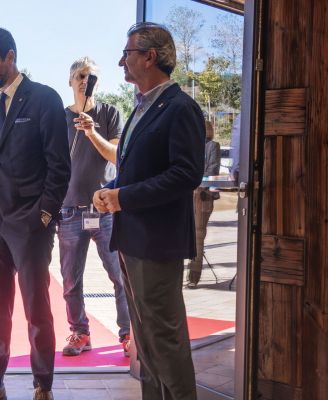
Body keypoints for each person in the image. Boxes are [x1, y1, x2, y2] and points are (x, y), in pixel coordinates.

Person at [93, 22, 204, 400]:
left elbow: (185, 174)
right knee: (146, 339)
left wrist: (125, 198)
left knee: (164, 337)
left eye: (127, 54)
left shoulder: (181, 107)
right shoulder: (141, 107)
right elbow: (135, 171)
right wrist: (110, 191)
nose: (121, 61)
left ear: (149, 57)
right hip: (133, 238)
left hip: (158, 242)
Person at [0, 26, 70, 400]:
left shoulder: (44, 99)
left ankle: (43, 384)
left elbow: (60, 167)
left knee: (36, 307)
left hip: (30, 221)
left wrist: (44, 216)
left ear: (10, 56)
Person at [57, 57, 131, 357]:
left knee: (118, 274)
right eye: (80, 75)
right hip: (68, 210)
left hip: (105, 209)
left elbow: (117, 156)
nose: (85, 81)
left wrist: (91, 131)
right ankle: (80, 332)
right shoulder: (58, 117)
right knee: (71, 279)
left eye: (91, 77)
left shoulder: (110, 113)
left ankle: (127, 334)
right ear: (71, 81)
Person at [187, 120, 221, 288]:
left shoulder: (213, 146)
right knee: (188, 236)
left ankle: (193, 277)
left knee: (198, 237)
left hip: (202, 196)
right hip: (188, 195)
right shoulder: (190, 146)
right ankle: (187, 275)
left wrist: (194, 182)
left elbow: (213, 170)